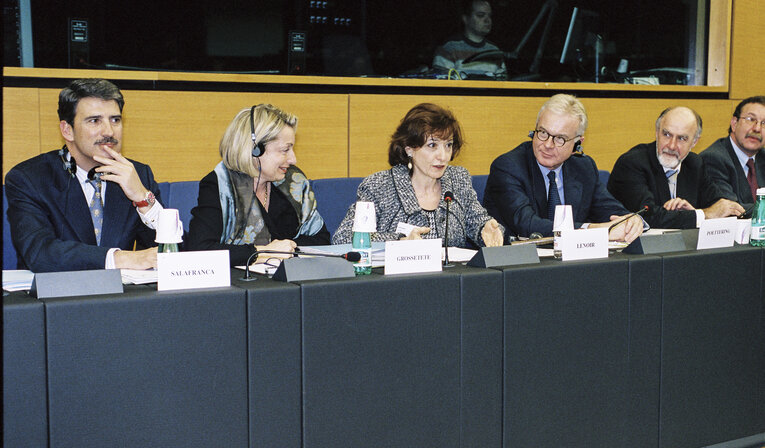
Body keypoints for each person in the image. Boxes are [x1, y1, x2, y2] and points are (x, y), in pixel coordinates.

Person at [5, 78, 163, 273]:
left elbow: (177, 251)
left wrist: (143, 199)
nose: (109, 131)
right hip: (59, 298)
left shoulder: (137, 175)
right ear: (67, 130)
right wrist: (120, 258)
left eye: (115, 120)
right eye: (95, 121)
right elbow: (40, 253)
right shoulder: (30, 179)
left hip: (121, 299)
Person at [332, 103, 503, 248]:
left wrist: (486, 228)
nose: (443, 156)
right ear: (410, 149)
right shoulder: (379, 186)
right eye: (432, 145)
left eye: (448, 145)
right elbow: (343, 238)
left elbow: (478, 220)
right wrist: (399, 241)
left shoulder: (458, 179)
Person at [483, 94, 643, 242]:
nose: (547, 144)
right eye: (543, 133)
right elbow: (528, 226)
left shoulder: (583, 167)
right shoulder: (509, 167)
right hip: (520, 263)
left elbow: (609, 209)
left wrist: (630, 220)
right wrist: (594, 230)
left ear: (577, 143)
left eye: (560, 139)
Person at [186, 104, 330, 266]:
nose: (293, 159)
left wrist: (287, 248)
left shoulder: (294, 181)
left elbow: (321, 239)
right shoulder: (220, 185)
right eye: (285, 150)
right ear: (255, 150)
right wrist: (262, 252)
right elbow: (200, 249)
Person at [608, 106, 744, 229]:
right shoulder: (632, 164)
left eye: (682, 139)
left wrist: (694, 212)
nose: (672, 146)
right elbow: (648, 216)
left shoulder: (694, 164)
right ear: (656, 132)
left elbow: (720, 206)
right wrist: (702, 215)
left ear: (694, 142)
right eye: (666, 134)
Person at [700, 96, 765, 214]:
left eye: (764, 123)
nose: (757, 128)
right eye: (750, 119)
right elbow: (731, 209)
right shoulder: (713, 159)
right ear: (734, 124)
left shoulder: (762, 157)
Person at [432, 0, 507, 80]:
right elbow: (441, 85)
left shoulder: (494, 50)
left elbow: (502, 84)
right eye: (480, 15)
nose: (487, 20)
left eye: (489, 16)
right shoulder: (449, 47)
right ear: (465, 19)